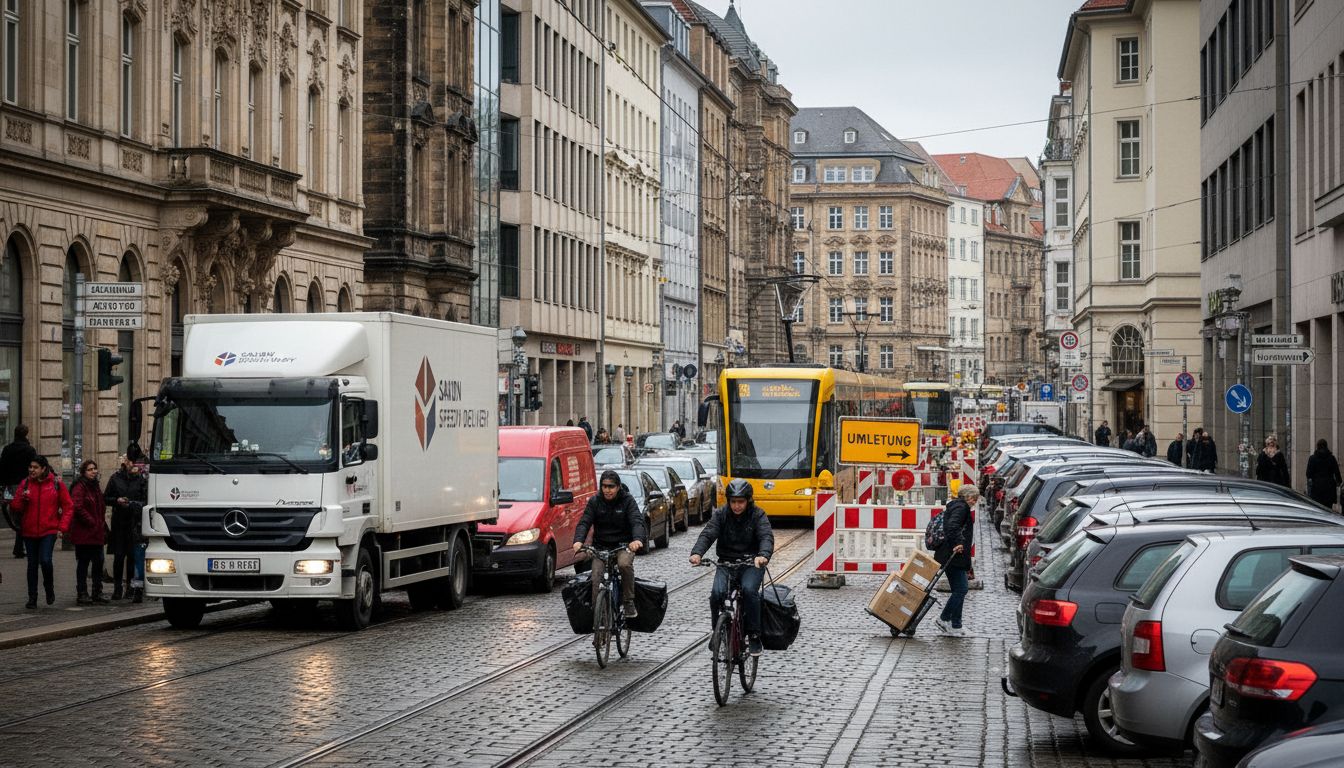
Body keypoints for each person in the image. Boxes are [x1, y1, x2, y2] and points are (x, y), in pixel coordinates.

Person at [689, 478, 775, 656]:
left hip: (751, 562)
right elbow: (708, 533)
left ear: (748, 501)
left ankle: (753, 635)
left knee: (749, 591)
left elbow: (766, 536)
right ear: (729, 501)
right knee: (716, 594)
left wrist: (763, 556)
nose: (737, 506)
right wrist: (697, 553)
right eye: (733, 502)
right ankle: (717, 632)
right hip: (726, 563)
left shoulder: (758, 515)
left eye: (741, 502)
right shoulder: (721, 515)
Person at [572, 469, 645, 620]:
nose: (607, 490)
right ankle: (598, 615)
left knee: (624, 564)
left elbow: (636, 521)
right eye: (604, 486)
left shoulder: (627, 501)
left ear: (618, 487)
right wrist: (578, 541)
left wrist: (637, 540)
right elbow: (584, 522)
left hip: (623, 546)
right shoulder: (595, 501)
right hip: (601, 547)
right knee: (596, 576)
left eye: (611, 486)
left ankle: (628, 602)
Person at [9, 456, 72, 608]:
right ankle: (32, 598)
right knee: (32, 565)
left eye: (35, 467)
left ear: (44, 468)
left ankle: (49, 588)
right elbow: (15, 507)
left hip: (49, 530)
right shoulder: (24, 484)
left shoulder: (56, 484)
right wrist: (22, 500)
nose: (32, 470)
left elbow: (68, 507)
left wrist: (62, 527)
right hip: (29, 531)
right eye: (30, 467)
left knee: (45, 560)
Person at [933, 485, 980, 638]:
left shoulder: (956, 506)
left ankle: (956, 625)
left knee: (958, 590)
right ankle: (944, 618)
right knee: (961, 589)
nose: (976, 501)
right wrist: (958, 542)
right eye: (975, 498)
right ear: (970, 497)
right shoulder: (962, 508)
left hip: (952, 555)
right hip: (954, 555)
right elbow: (952, 526)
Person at [105, 452, 148, 600]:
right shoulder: (115, 478)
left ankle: (131, 587)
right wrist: (117, 500)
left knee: (133, 557)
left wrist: (135, 504)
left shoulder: (141, 480)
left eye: (135, 462)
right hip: (119, 523)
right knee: (118, 557)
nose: (133, 464)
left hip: (135, 523)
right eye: (131, 461)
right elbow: (106, 498)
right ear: (125, 463)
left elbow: (146, 499)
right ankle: (118, 588)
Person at [69, 459, 108, 604]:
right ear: (84, 472)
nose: (93, 472)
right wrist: (91, 521)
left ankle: (97, 591)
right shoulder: (80, 486)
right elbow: (77, 507)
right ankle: (82, 593)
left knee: (99, 562)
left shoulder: (95, 486)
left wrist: (100, 523)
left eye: (95, 469)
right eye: (90, 469)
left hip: (96, 531)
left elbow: (100, 506)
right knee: (83, 563)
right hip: (84, 532)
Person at [0, 424, 37, 558]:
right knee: (22, 516)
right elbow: (36, 466)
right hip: (24, 486)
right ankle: (19, 546)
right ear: (26, 435)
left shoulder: (7, 449)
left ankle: (19, 546)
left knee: (15, 515)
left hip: (9, 486)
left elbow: (2, 467)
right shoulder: (29, 450)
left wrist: (3, 484)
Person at [1305, 439, 1342, 511]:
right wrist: (1339, 482)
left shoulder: (1312, 458)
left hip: (1317, 488)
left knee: (1318, 509)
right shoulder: (1331, 458)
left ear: (1317, 447)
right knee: (1328, 509)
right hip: (1329, 488)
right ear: (1326, 446)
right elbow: (1337, 473)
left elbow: (1308, 474)